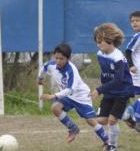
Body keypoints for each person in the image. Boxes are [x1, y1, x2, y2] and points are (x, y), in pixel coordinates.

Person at [38, 43, 109, 146]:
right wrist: (40, 79)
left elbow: (70, 89)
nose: (58, 61)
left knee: (90, 120)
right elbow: (44, 68)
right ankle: (73, 129)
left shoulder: (72, 70)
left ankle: (107, 141)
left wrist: (53, 96)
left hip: (81, 97)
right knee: (55, 108)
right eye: (56, 58)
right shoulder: (52, 64)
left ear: (68, 58)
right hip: (68, 96)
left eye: (61, 59)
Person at [90, 23, 134, 151]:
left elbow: (119, 80)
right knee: (101, 120)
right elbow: (105, 73)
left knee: (112, 120)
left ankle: (112, 146)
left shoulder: (118, 57)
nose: (98, 45)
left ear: (109, 40)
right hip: (109, 91)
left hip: (122, 91)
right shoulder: (100, 54)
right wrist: (104, 87)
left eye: (100, 42)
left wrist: (99, 90)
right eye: (96, 42)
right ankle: (127, 114)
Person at [125, 11, 140, 96]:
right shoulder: (137, 36)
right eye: (132, 21)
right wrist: (131, 65)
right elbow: (128, 51)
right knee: (130, 95)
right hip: (136, 71)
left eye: (137, 20)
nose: (134, 23)